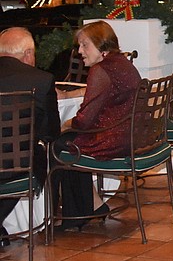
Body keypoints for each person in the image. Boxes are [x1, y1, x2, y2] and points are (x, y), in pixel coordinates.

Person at [53, 21, 142, 230]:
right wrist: (68, 96)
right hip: (128, 135)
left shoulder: (101, 70)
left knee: (58, 146)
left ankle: (72, 216)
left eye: (85, 45)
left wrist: (65, 124)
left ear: (101, 46)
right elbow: (97, 94)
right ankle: (93, 206)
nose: (80, 51)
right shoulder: (120, 63)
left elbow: (84, 121)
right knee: (66, 142)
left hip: (113, 140)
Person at [0, 27, 60, 244]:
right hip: (17, 167)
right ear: (27, 54)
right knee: (36, 154)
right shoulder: (42, 80)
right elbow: (51, 132)